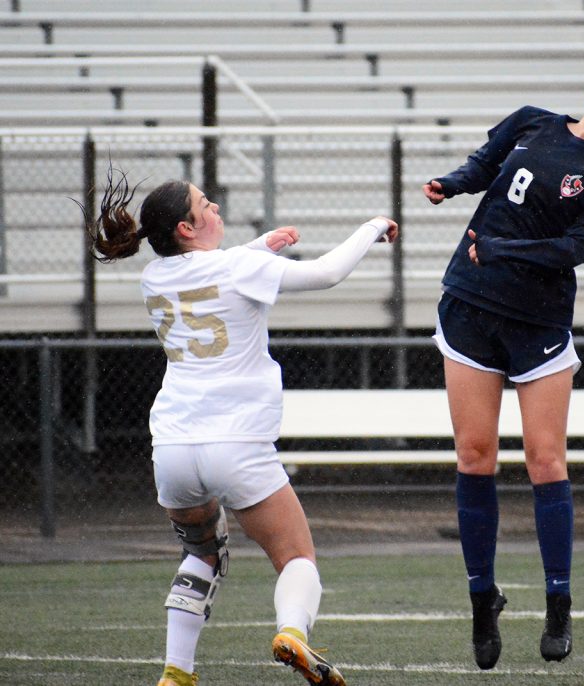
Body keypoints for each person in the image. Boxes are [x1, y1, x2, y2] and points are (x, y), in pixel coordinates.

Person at [83, 169, 398, 686]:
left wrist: (261, 248)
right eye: (206, 205)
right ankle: (292, 632)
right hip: (238, 444)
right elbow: (324, 274)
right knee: (296, 556)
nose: (216, 210)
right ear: (187, 227)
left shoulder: (154, 276)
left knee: (202, 553)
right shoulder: (238, 266)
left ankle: (176, 672)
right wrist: (371, 226)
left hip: (174, 447)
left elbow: (212, 275)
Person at [422, 62, 584, 669]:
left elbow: (571, 250)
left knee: (545, 459)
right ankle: (483, 597)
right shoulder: (533, 123)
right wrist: (451, 184)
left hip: (537, 322)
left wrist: (501, 248)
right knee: (474, 456)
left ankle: (558, 601)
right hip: (471, 306)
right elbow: (482, 167)